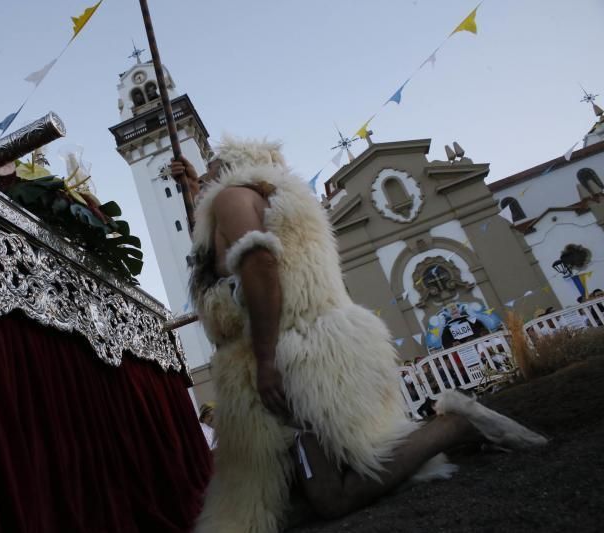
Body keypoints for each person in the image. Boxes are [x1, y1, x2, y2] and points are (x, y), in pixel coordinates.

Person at [171, 137, 546, 533]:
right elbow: (226, 254)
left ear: (232, 166)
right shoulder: (272, 200)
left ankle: (454, 426)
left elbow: (260, 265)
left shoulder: (231, 199)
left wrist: (266, 360)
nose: (207, 169)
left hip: (296, 355)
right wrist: (195, 192)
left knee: (331, 495)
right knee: (312, 483)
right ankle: (449, 434)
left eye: (213, 164)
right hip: (320, 343)